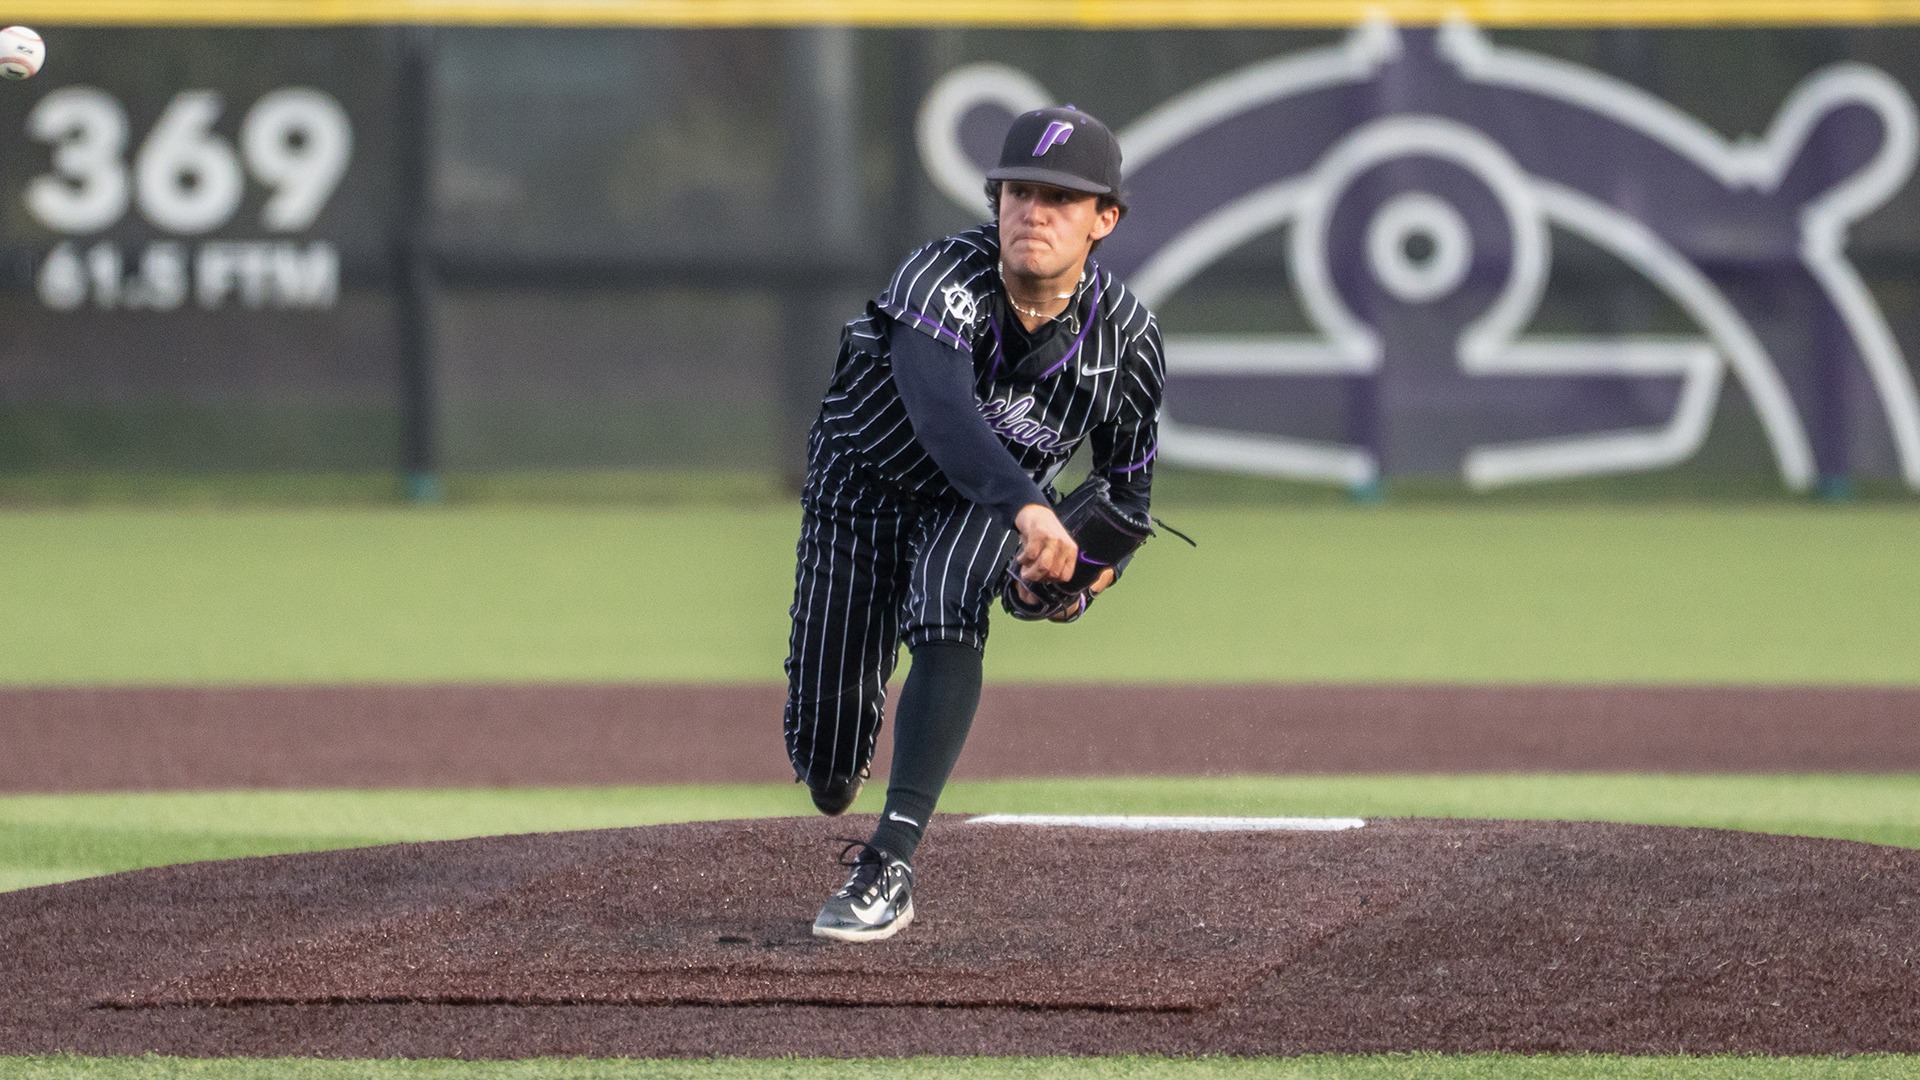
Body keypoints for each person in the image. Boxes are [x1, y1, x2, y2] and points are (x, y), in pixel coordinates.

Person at [783, 105, 1165, 942]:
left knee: (952, 596)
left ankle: (890, 862)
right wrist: (1031, 507)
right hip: (863, 487)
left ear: (1105, 219)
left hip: (980, 506)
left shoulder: (1128, 341)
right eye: (1020, 191)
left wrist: (1073, 585)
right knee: (826, 757)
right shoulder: (942, 275)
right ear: (995, 202)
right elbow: (943, 414)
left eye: (1061, 199)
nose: (1034, 212)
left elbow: (1126, 501)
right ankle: (844, 756)